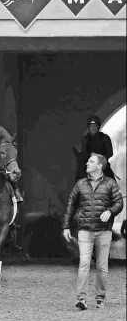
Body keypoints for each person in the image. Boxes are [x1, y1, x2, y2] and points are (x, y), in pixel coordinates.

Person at [62, 152, 123, 310]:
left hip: (104, 232)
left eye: (91, 161)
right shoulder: (80, 184)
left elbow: (119, 202)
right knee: (84, 264)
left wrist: (110, 211)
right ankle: (81, 299)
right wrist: (66, 226)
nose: (87, 163)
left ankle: (100, 298)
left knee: (102, 267)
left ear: (99, 166)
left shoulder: (110, 183)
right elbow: (71, 205)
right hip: (85, 230)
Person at [77, 114, 116, 181]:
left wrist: (100, 158)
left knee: (112, 182)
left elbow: (110, 153)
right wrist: (91, 156)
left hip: (103, 166)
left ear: (98, 127)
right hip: (89, 165)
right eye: (91, 126)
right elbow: (84, 153)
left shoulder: (105, 137)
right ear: (89, 127)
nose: (93, 128)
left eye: (95, 126)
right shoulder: (85, 139)